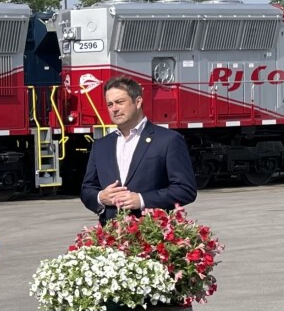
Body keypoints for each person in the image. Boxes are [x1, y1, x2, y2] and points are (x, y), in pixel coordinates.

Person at [81, 76, 197, 225]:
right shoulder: (101, 146)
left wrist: (142, 200)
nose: (114, 109)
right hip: (110, 238)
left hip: (152, 236)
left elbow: (185, 190)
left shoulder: (168, 140)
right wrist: (100, 197)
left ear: (138, 102)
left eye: (120, 102)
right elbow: (87, 190)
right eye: (110, 104)